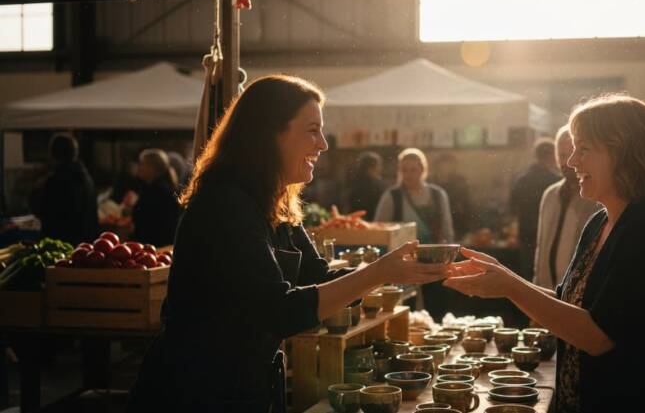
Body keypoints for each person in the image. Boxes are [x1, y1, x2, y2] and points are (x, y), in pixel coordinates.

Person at [126, 76, 448, 413]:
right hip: (193, 391)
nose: (323, 144)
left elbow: (320, 277)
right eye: (312, 130)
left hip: (245, 385)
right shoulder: (224, 204)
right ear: (268, 135)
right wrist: (380, 271)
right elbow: (278, 312)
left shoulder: (275, 203)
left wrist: (397, 269)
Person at [444, 95, 645, 412]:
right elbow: (568, 301)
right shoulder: (601, 221)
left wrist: (509, 287)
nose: (571, 162)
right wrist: (503, 275)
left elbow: (599, 336)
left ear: (624, 154)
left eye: (583, 150)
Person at [375, 147, 455, 320]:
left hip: (435, 259)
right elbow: (380, 229)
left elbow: (447, 229)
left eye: (413, 169)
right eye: (404, 170)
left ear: (422, 170)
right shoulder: (392, 196)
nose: (409, 174)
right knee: (405, 309)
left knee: (436, 306)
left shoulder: (437, 195)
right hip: (404, 261)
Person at [533, 125, 598, 289]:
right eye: (562, 155)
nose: (568, 162)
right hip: (547, 291)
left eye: (571, 153)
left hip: (578, 294)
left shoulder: (596, 196)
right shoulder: (550, 195)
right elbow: (541, 249)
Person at [31, 133, 98, 246]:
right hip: (85, 245)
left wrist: (36, 192)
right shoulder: (85, 176)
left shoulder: (57, 180)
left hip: (61, 245)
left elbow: (45, 211)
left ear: (53, 154)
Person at [510, 138, 561, 281]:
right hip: (549, 234)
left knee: (527, 278)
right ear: (553, 155)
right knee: (547, 278)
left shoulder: (521, 179)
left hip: (525, 234)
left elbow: (512, 208)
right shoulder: (555, 181)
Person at [131, 149, 182, 247]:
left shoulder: (158, 191)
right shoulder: (155, 187)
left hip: (155, 247)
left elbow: (147, 221)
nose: (139, 167)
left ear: (153, 168)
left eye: (142, 164)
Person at [429, 153, 473, 239]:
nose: (446, 167)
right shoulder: (430, 182)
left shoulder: (460, 181)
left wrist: (468, 229)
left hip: (457, 220)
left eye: (449, 165)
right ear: (437, 165)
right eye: (443, 164)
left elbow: (467, 205)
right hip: (436, 221)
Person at [346, 151, 386, 221]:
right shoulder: (375, 184)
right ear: (371, 167)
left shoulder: (354, 181)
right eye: (379, 165)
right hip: (370, 221)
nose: (380, 168)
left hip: (354, 220)